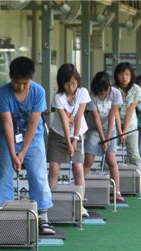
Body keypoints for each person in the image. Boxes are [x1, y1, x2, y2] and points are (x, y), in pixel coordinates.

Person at [0, 56, 55, 234]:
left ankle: (42, 216)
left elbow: (34, 123)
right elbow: (7, 124)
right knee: (3, 175)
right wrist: (12, 153)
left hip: (34, 138)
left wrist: (23, 152)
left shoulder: (38, 92)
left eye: (25, 83)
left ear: (30, 79)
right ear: (11, 78)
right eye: (17, 82)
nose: (21, 87)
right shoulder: (2, 94)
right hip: (8, 138)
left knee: (38, 175)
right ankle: (0, 215)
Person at [47, 63, 91, 216]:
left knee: (78, 168)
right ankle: (48, 205)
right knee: (54, 169)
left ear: (78, 81)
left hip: (78, 134)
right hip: (58, 134)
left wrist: (74, 139)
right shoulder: (58, 97)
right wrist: (68, 139)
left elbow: (79, 116)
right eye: (67, 83)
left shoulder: (82, 92)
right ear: (61, 83)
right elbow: (64, 121)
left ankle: (80, 205)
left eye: (73, 83)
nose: (71, 86)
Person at [83, 71, 124, 202]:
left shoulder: (115, 94)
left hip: (109, 128)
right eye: (99, 92)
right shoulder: (91, 96)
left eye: (104, 92)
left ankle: (117, 191)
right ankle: (80, 190)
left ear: (109, 88)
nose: (102, 95)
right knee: (88, 160)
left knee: (111, 160)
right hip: (94, 128)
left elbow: (112, 116)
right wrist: (102, 138)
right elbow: (96, 119)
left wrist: (107, 138)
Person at [113, 62, 141, 191]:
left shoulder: (136, 89)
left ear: (131, 75)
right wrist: (119, 130)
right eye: (121, 74)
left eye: (127, 74)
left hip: (131, 124)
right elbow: (115, 110)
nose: (124, 77)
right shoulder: (113, 89)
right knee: (109, 153)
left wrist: (125, 130)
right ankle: (109, 181)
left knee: (134, 154)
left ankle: (139, 181)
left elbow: (131, 110)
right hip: (114, 125)